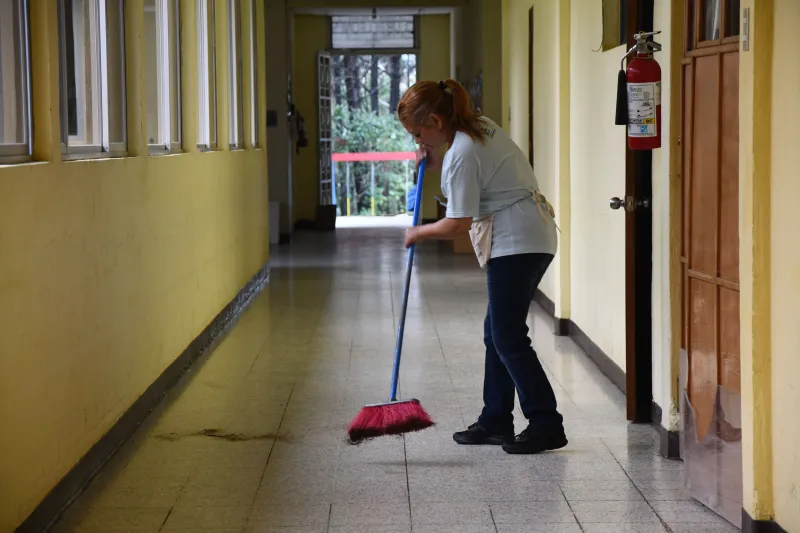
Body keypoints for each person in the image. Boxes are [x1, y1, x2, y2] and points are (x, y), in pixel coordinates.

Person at [397, 79, 567, 454]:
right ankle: (495, 420)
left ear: (438, 121)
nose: (418, 141)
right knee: (497, 333)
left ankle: (545, 423)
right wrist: (434, 157)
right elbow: (474, 182)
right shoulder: (478, 126)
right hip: (528, 234)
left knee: (507, 336)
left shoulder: (464, 150)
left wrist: (418, 233)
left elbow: (458, 221)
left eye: (419, 133)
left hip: (517, 241)